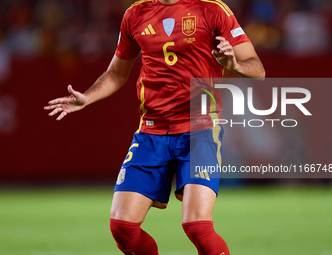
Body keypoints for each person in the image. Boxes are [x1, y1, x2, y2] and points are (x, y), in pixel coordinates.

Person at [44, 0, 265, 254]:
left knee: (197, 227)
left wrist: (235, 64)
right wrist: (87, 97)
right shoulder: (135, 14)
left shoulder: (213, 10)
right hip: (151, 132)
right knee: (122, 227)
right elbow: (117, 74)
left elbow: (257, 69)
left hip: (200, 128)